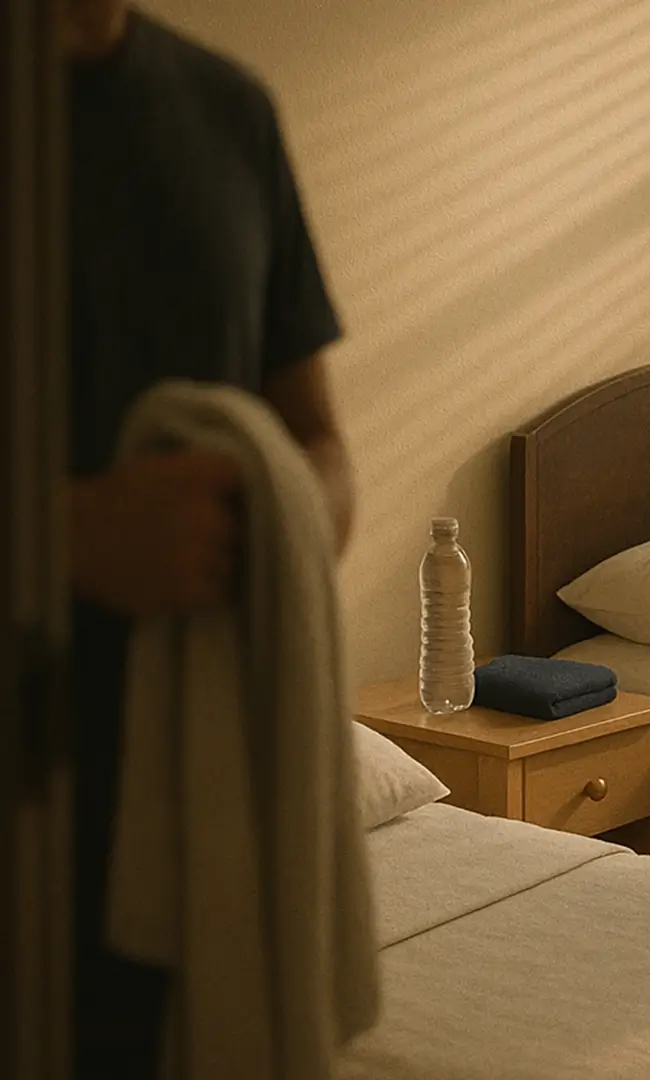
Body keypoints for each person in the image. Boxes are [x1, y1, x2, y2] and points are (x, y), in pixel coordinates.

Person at [64, 2, 356, 1076]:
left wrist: (270, 521)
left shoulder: (229, 115)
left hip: (208, 809)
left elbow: (318, 443)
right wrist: (63, 539)